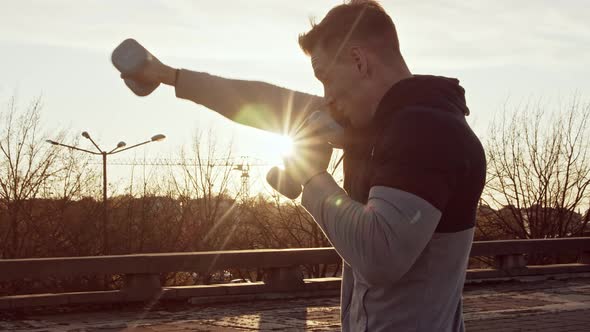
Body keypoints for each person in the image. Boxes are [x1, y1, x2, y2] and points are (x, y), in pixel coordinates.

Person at [121, 1, 486, 330]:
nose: (326, 97)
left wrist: (309, 177)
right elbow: (260, 101)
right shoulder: (376, 125)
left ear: (360, 61)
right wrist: (168, 76)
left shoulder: (426, 130)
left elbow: (380, 256)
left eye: (325, 77)